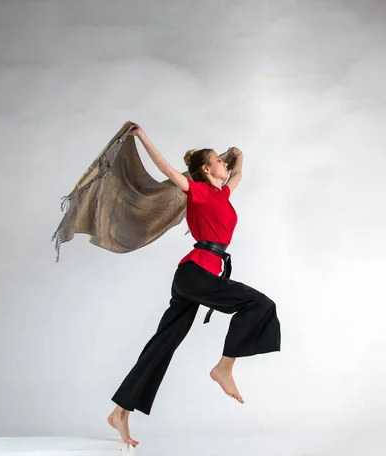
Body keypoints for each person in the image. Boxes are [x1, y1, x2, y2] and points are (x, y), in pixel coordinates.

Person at [107, 122, 281, 446]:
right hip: (195, 273)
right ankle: (224, 368)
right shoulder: (199, 191)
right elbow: (170, 171)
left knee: (164, 342)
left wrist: (239, 156)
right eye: (218, 159)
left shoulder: (223, 193)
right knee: (260, 304)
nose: (224, 164)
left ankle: (120, 411)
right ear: (205, 168)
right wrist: (143, 137)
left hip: (196, 277)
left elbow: (238, 175)